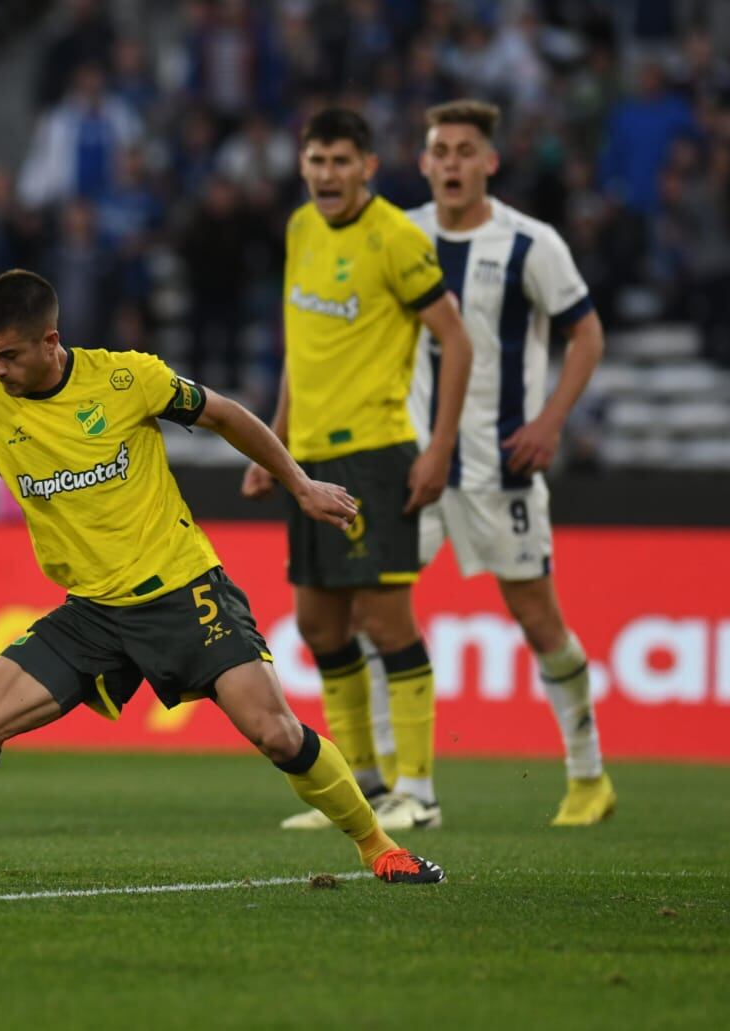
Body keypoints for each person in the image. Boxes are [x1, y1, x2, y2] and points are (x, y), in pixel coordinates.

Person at [0, 269, 446, 886]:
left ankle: (379, 846)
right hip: (92, 613)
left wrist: (296, 484)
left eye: (8, 355)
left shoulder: (127, 379)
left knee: (275, 730)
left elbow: (224, 413)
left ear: (50, 341)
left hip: (184, 593)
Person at [242, 108, 475, 833]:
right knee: (317, 623)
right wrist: (273, 445)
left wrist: (438, 448)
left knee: (384, 617)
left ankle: (421, 791)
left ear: (369, 167)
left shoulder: (396, 239)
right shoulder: (300, 229)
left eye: (342, 162)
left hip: (376, 450)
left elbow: (456, 340)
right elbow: (298, 347)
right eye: (316, 161)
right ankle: (368, 785)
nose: (327, 175)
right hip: (308, 454)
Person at [406, 99, 613, 825]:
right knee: (374, 610)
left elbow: (586, 335)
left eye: (467, 150)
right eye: (441, 150)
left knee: (537, 619)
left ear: (490, 162)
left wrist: (552, 419)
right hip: (414, 463)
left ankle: (588, 777)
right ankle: (396, 790)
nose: (453, 163)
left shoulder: (531, 242)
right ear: (424, 162)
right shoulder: (399, 237)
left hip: (501, 464)